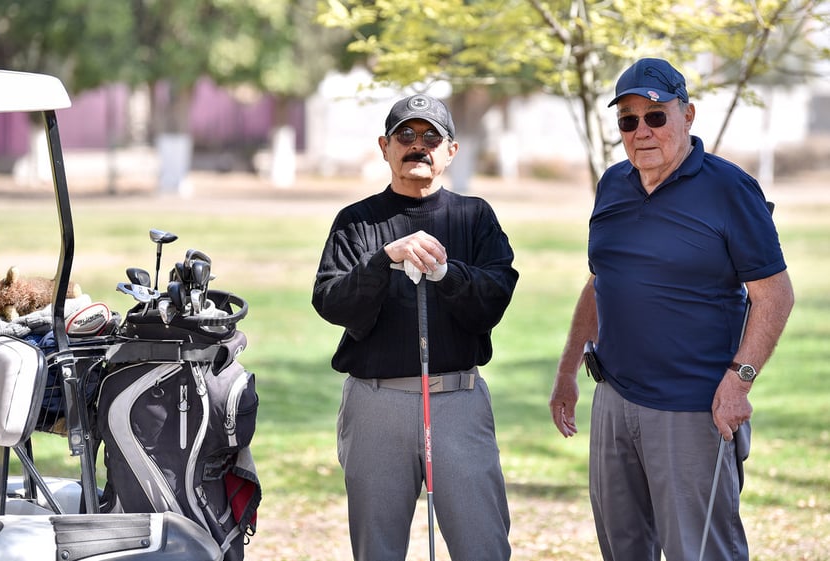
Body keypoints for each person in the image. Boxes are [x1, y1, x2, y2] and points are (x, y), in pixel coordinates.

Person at [549, 58, 795, 561]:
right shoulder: (613, 185)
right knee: (622, 548)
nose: (641, 131)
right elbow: (601, 282)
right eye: (628, 120)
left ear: (688, 115)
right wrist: (567, 372)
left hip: (692, 408)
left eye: (656, 116)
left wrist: (739, 381)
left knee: (701, 551)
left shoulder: (730, 190)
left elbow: (775, 295)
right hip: (614, 398)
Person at [312, 93, 518, 561]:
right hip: (375, 404)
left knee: (482, 544)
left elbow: (495, 296)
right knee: (377, 549)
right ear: (385, 146)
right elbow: (331, 300)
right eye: (405, 135)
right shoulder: (356, 222)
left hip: (456, 402)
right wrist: (384, 261)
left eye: (431, 137)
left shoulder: (474, 216)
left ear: (451, 151)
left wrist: (447, 275)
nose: (417, 146)